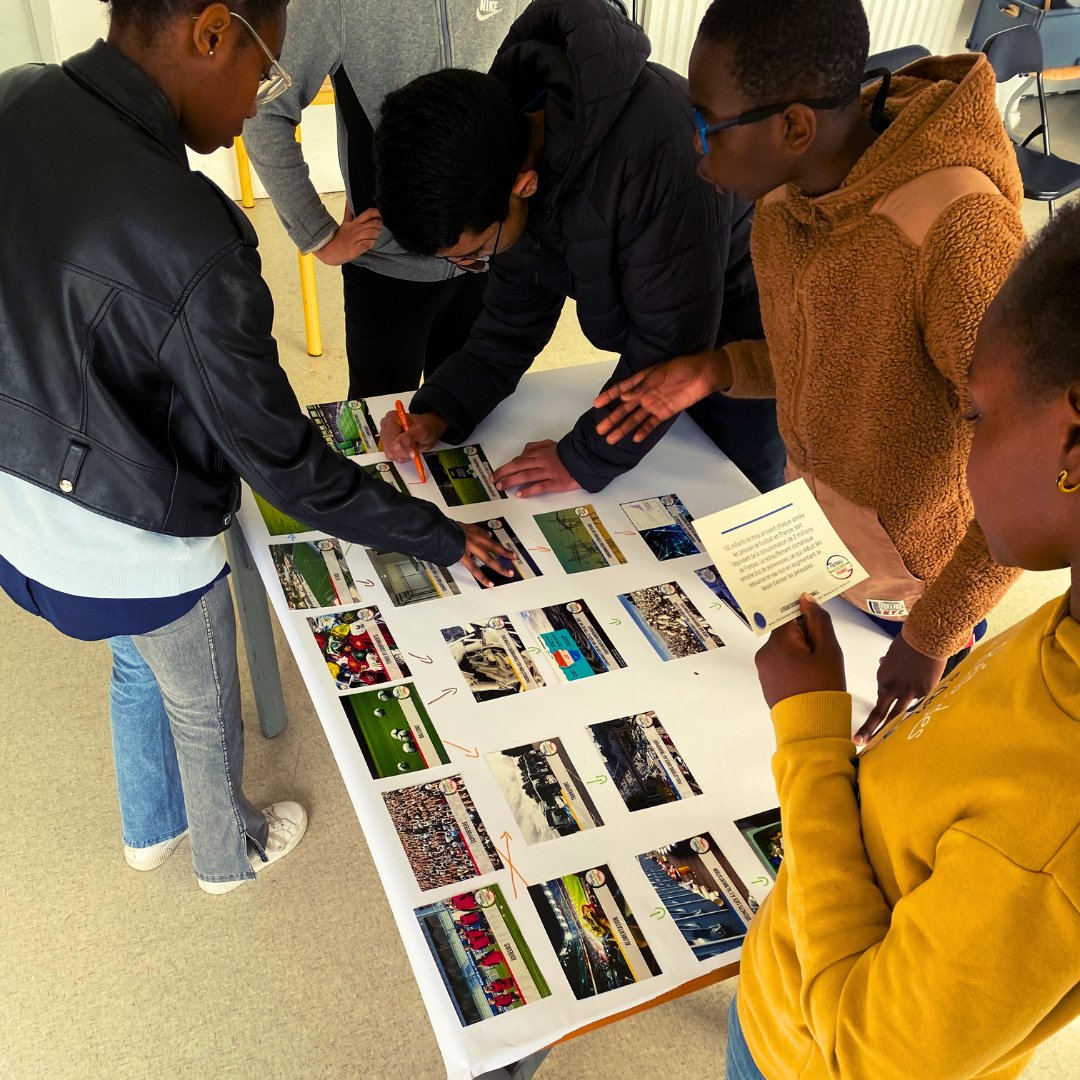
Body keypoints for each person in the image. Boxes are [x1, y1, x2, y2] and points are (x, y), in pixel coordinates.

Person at [0, 0, 511, 894]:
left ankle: (148, 829)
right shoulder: (195, 236)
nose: (256, 106)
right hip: (135, 543)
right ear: (210, 32)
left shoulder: (16, 96)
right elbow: (282, 465)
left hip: (17, 516)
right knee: (200, 703)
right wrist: (433, 532)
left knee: (132, 665)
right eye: (265, 72)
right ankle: (224, 853)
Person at [595, 0, 1026, 735]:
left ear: (794, 127)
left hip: (923, 593)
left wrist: (931, 638)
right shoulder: (784, 205)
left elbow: (1034, 468)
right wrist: (718, 368)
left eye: (705, 126)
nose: (696, 154)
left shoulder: (956, 236)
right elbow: (834, 360)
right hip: (824, 541)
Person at [732, 204, 1080, 1080]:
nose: (968, 449)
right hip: (785, 989)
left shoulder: (1059, 836)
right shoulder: (1064, 630)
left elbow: (864, 1059)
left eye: (974, 413)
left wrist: (809, 733)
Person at [375, 0, 785, 496]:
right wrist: (437, 411)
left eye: (476, 251)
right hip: (668, 321)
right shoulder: (499, 147)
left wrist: (581, 458)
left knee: (737, 498)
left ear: (523, 186)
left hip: (749, 329)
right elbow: (508, 329)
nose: (474, 265)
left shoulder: (656, 147)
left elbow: (671, 338)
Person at [241, 0, 532, 399]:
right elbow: (266, 109)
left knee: (472, 405)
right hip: (388, 269)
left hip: (489, 256)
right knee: (379, 419)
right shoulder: (336, 6)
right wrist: (318, 234)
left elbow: (533, 86)